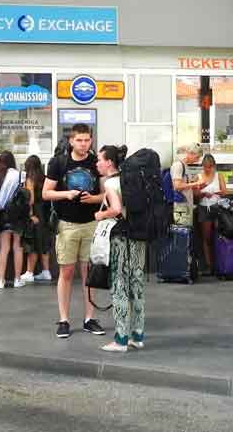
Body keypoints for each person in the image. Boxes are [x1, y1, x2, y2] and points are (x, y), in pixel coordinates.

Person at [43, 124, 105, 339]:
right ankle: (63, 319)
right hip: (66, 224)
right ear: (71, 141)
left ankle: (89, 318)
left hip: (91, 224)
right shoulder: (58, 162)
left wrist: (94, 199)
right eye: (79, 140)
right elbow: (46, 193)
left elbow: (106, 195)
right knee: (66, 273)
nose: (84, 144)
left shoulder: (97, 162)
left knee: (89, 273)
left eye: (87, 140)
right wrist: (67, 194)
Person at [94, 145, 147, 352]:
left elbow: (116, 209)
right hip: (138, 237)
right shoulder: (133, 180)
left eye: (100, 159)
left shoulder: (111, 183)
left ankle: (121, 339)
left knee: (119, 285)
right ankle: (138, 335)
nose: (97, 163)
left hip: (120, 239)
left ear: (109, 162)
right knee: (137, 283)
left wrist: (101, 215)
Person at [0, 151, 27, 289]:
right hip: (17, 214)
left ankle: (0, 280)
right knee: (17, 247)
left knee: (4, 248)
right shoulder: (19, 175)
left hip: (2, 214)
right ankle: (17, 279)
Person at [20, 155, 53, 284]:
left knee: (32, 243)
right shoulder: (44, 178)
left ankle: (29, 272)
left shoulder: (30, 179)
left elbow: (30, 199)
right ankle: (46, 272)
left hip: (36, 212)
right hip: (45, 213)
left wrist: (30, 214)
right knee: (44, 242)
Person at [197, 154, 228, 274]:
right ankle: (210, 266)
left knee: (220, 235)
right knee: (207, 237)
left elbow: (225, 191)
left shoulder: (219, 176)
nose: (207, 169)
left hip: (217, 207)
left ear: (214, 166)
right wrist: (204, 194)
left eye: (209, 167)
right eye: (205, 167)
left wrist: (215, 192)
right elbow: (195, 193)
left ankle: (220, 262)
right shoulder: (199, 177)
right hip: (204, 208)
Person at [171, 143, 206, 227]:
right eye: (197, 157)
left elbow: (185, 183)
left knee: (187, 230)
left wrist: (194, 181)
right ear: (190, 153)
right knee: (182, 231)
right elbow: (177, 186)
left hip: (186, 204)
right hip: (181, 206)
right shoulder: (178, 165)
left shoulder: (185, 166)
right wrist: (196, 183)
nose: (197, 160)